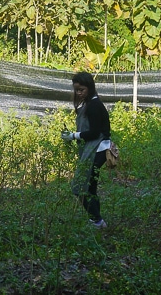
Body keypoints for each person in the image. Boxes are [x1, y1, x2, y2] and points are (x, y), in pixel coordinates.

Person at [61, 72, 111, 229]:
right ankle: (97, 221)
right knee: (90, 187)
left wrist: (73, 136)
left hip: (98, 149)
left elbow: (95, 132)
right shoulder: (89, 104)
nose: (79, 93)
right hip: (95, 149)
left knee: (81, 186)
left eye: (81, 89)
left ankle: (96, 221)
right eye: (76, 90)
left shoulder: (95, 106)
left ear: (90, 88)